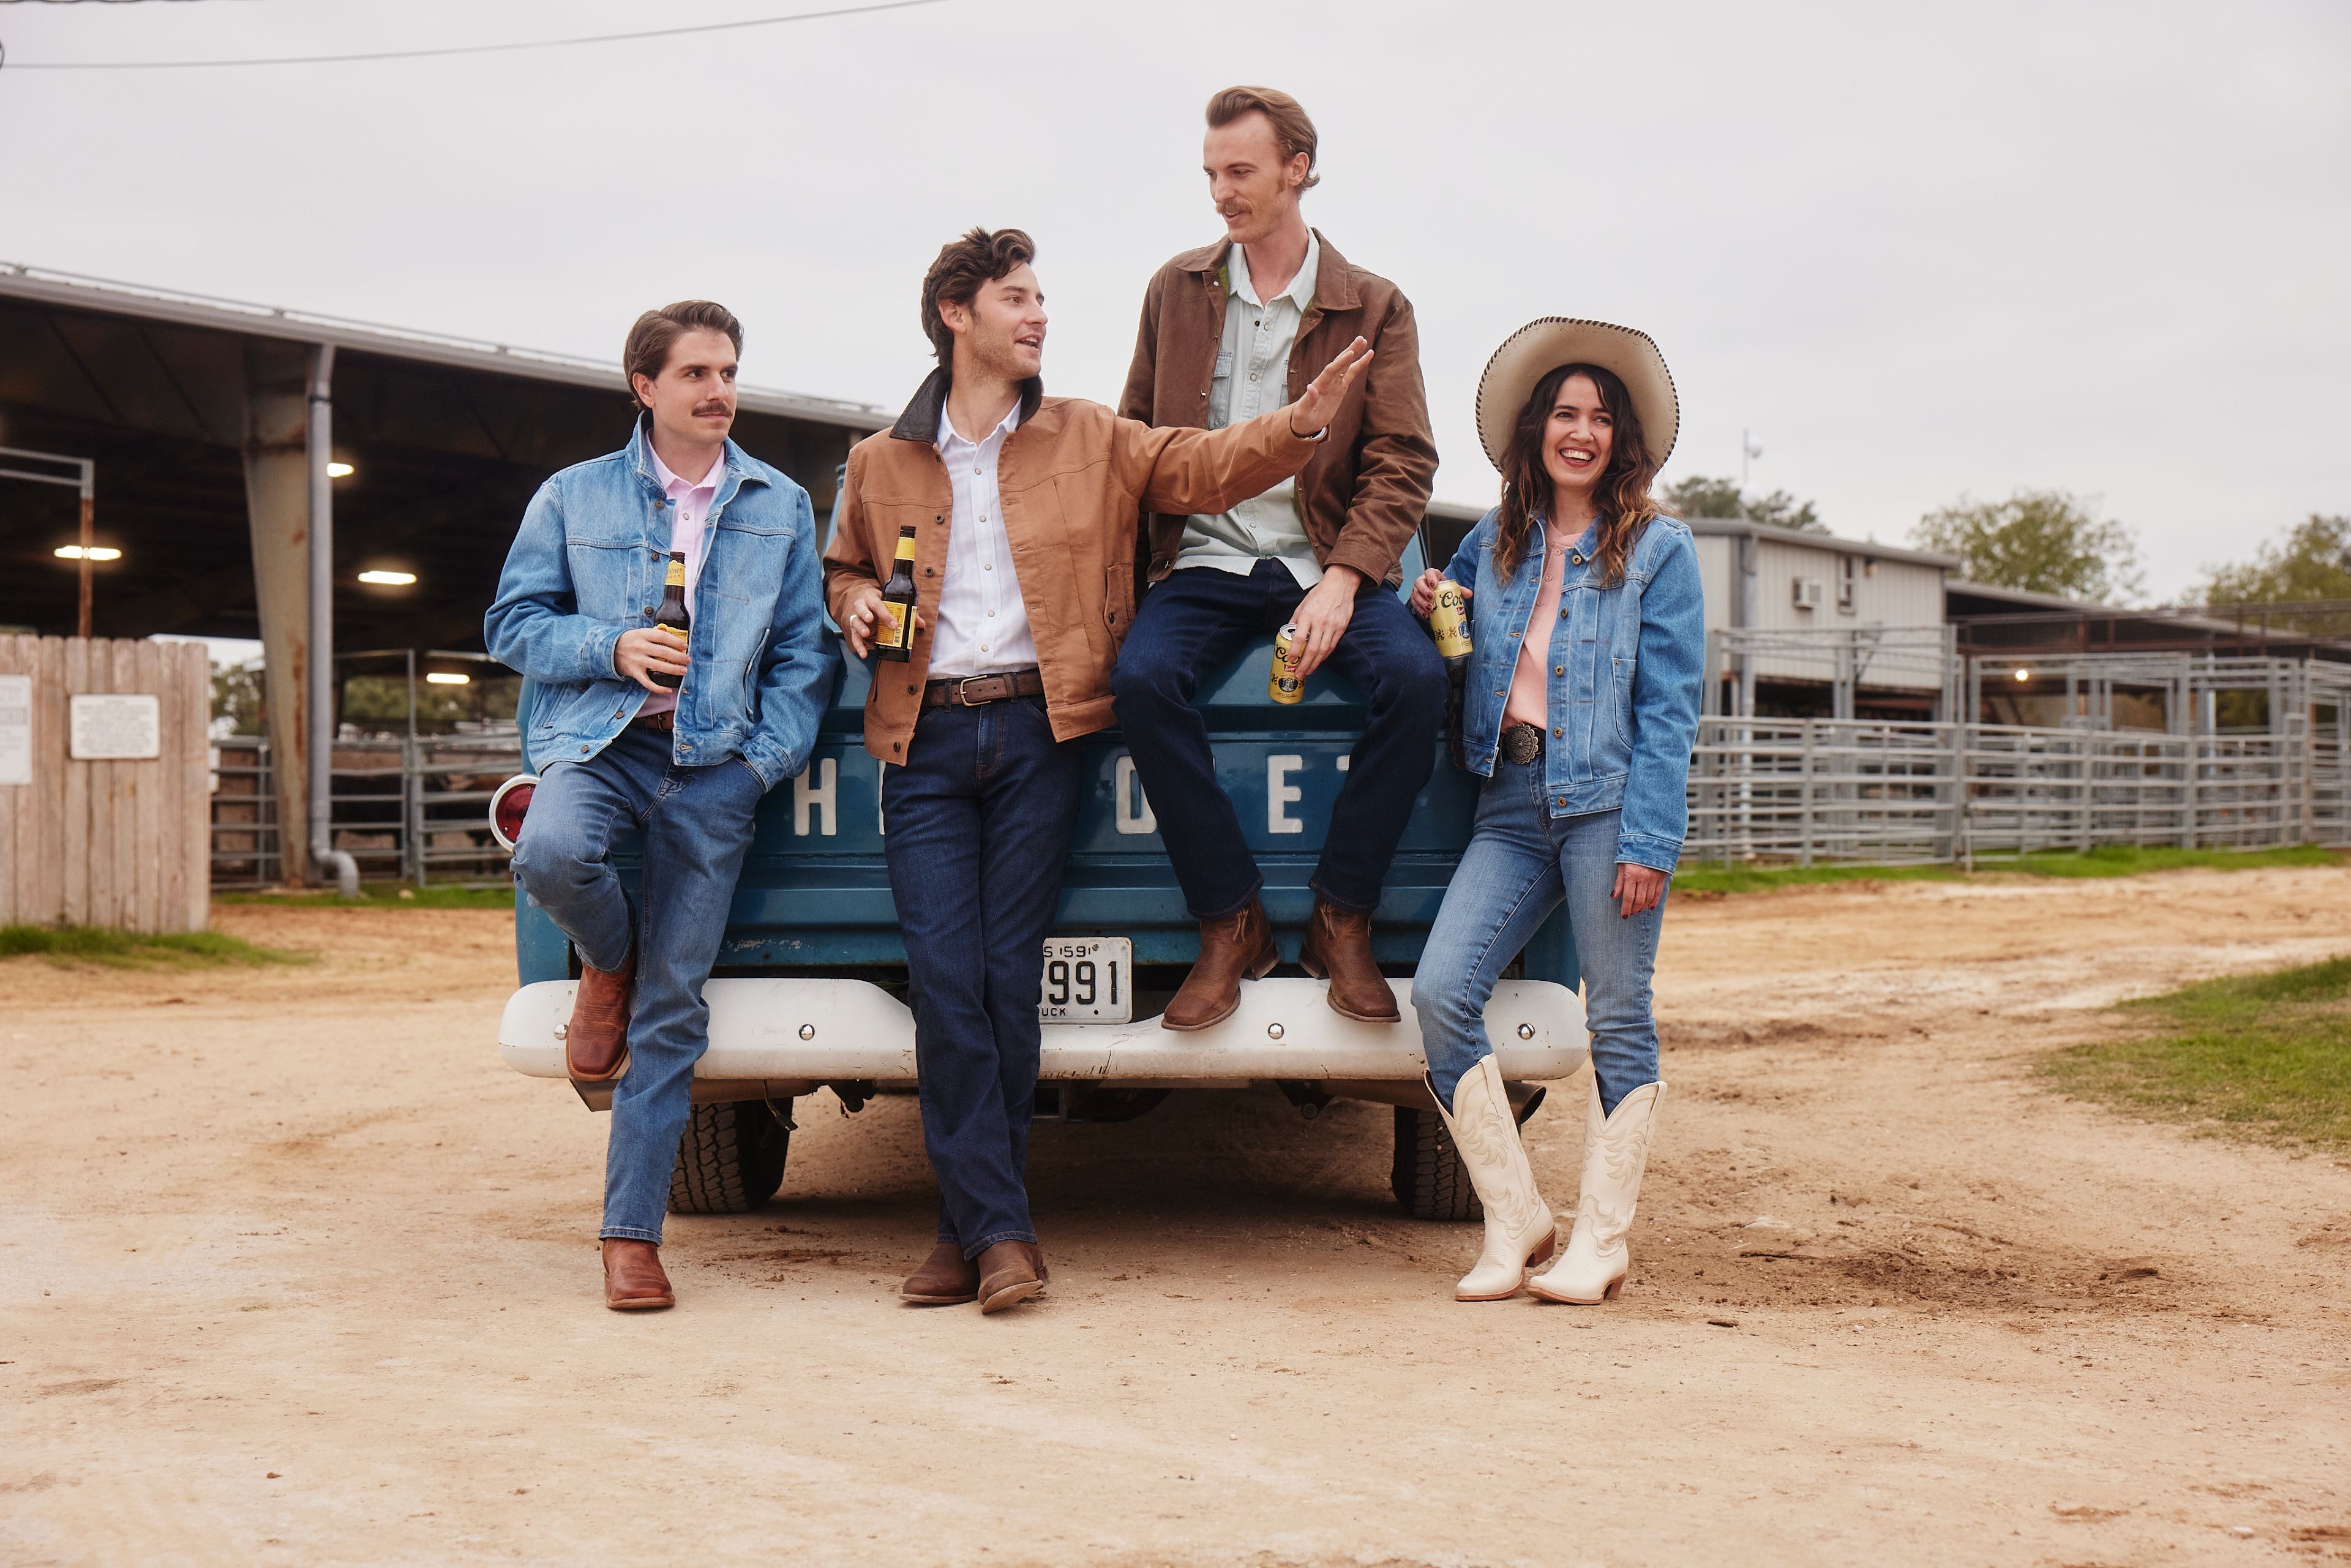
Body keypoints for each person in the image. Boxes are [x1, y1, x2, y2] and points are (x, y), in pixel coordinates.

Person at [822, 228, 1371, 1315]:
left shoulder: (1090, 435)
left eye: (1040, 299)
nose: (1038, 316)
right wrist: (851, 603)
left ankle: (972, 1231)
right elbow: (846, 565)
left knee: (1001, 978)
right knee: (943, 978)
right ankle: (994, 1230)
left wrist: (1300, 424)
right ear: (956, 316)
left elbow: (1205, 464)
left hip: (1039, 733)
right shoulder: (878, 461)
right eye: (1017, 299)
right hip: (923, 739)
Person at [486, 301, 839, 1312]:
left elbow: (805, 654)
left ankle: (629, 1239)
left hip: (714, 765)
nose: (719, 390)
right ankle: (607, 957)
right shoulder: (571, 496)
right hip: (600, 745)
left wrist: (758, 766)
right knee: (551, 855)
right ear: (645, 386)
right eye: (695, 373)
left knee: (675, 1009)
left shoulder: (777, 503)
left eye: (728, 370)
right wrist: (611, 647)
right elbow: (510, 622)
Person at [1113, 85, 1444, 1032]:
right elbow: (1134, 440)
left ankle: (1342, 917)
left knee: (1418, 680)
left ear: (1297, 168)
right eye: (1212, 173)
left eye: (1241, 172)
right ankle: (1231, 919)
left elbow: (1403, 459)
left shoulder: (1376, 305)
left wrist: (1345, 578)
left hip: (1325, 557)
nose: (1222, 191)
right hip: (1206, 561)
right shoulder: (1174, 290)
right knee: (1140, 678)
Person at [1404, 318, 1704, 1304]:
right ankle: (1514, 1216)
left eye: (1602, 418)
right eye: (1566, 413)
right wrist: (1428, 602)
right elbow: (1468, 651)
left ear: (1623, 440)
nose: (1582, 431)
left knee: (1618, 1015)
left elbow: (1670, 707)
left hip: (1609, 805)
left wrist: (1652, 839)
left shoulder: (1661, 550)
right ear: (1537, 428)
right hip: (1510, 802)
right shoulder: (1495, 540)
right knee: (1442, 990)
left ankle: (1603, 1241)